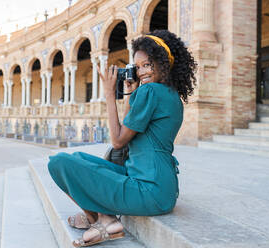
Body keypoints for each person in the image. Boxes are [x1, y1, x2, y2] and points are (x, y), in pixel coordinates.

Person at [47, 29, 197, 247]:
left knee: (60, 163)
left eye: (148, 65)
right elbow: (130, 128)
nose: (142, 72)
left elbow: (118, 140)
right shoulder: (170, 94)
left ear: (164, 62)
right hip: (161, 188)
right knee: (78, 158)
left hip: (149, 189)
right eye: (137, 67)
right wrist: (129, 96)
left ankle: (105, 220)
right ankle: (97, 218)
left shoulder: (151, 92)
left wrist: (109, 94)